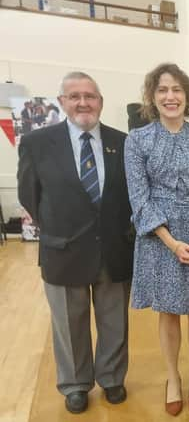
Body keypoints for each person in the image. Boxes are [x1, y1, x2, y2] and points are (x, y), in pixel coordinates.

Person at [17, 71, 134, 414]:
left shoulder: (122, 142)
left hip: (113, 249)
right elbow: (30, 194)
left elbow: (128, 195)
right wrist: (58, 224)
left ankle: (112, 378)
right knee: (69, 324)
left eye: (90, 96)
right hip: (63, 249)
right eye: (75, 96)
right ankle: (76, 384)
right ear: (62, 102)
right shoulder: (38, 143)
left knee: (114, 321)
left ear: (100, 101)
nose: (83, 102)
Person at [124, 63, 189, 416]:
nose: (170, 97)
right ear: (152, 98)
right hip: (159, 236)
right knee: (168, 311)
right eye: (162, 90)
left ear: (188, 96)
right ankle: (173, 378)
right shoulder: (137, 140)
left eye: (177, 90)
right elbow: (139, 197)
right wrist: (171, 242)